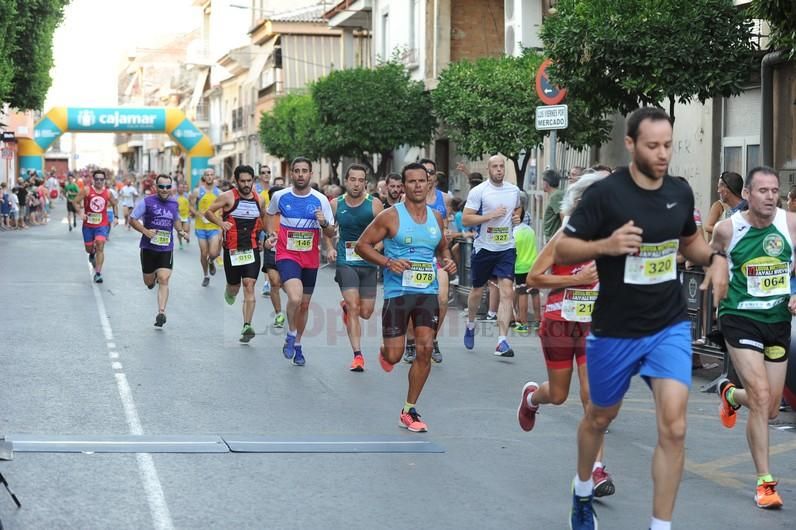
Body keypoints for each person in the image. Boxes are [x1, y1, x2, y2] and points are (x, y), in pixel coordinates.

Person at [554, 107, 728, 530]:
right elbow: (563, 251)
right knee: (599, 416)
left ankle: (660, 525)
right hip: (615, 329)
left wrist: (716, 259)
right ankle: (581, 489)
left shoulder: (679, 193)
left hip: (667, 325)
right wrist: (607, 245)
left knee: (675, 427)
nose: (663, 153)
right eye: (653, 145)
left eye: (668, 144)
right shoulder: (605, 196)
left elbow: (690, 243)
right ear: (631, 144)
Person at [519, 172, 614, 499]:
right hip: (559, 324)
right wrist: (576, 280)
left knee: (593, 397)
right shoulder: (565, 236)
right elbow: (534, 277)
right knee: (558, 395)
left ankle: (596, 470)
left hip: (594, 326)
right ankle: (532, 398)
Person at [712, 166, 796, 510]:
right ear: (746, 194)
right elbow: (714, 259)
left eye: (774, 190)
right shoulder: (727, 229)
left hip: (776, 319)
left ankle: (730, 394)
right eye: (762, 190)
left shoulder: (790, 223)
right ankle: (765, 482)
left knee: (772, 407)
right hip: (739, 317)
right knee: (761, 397)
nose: (770, 196)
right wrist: (716, 275)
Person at [355, 162, 457, 432]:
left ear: (429, 182)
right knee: (394, 356)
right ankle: (385, 353)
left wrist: (448, 261)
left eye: (422, 180)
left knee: (424, 349)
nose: (417, 186)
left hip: (427, 292)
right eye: (411, 182)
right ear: (404, 186)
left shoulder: (436, 217)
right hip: (398, 292)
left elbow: (442, 248)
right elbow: (362, 245)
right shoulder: (391, 216)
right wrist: (388, 262)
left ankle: (409, 409)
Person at [266, 157, 336, 366]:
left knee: (304, 305)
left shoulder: (321, 199)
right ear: (292, 174)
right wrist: (271, 233)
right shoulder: (280, 196)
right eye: (296, 171)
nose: (300, 174)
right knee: (295, 298)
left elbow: (331, 231)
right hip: (287, 254)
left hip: (310, 258)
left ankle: (297, 344)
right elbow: (269, 215)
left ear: (310, 174)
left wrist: (323, 222)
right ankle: (290, 334)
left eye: (304, 171)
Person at [461, 155, 522, 358]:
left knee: (507, 292)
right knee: (477, 291)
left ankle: (502, 341)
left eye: (501, 166)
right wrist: (490, 215)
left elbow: (518, 208)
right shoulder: (479, 191)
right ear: (488, 169)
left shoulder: (513, 190)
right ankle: (470, 324)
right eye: (495, 167)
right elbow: (466, 218)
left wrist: (517, 216)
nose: (498, 170)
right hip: (484, 248)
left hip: (506, 248)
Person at [326, 164, 383, 371]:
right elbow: (329, 231)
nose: (357, 184)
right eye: (353, 180)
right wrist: (330, 247)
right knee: (354, 307)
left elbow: (385, 231)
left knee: (366, 312)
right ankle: (358, 356)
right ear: (346, 180)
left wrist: (375, 249)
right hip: (346, 261)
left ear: (365, 183)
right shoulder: (335, 204)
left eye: (361, 180)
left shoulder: (375, 204)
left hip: (368, 262)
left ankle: (347, 308)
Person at [204, 165, 266, 343]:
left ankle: (247, 325)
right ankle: (229, 291)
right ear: (236, 181)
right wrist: (220, 223)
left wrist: (264, 236)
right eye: (243, 181)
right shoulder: (228, 196)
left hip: (252, 248)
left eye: (249, 181)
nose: (246, 184)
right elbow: (207, 212)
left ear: (253, 180)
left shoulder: (259, 199)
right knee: (234, 287)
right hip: (232, 250)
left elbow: (263, 218)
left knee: (249, 285)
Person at [403, 158, 452, 364]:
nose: (428, 176)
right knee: (413, 302)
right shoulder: (405, 202)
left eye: (431, 172)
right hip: (413, 259)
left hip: (435, 258)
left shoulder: (445, 199)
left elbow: (445, 229)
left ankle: (433, 338)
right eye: (425, 172)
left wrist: (447, 248)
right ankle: (411, 342)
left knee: (441, 299)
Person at [128, 174, 188, 327]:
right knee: (149, 281)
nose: (164, 189)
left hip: (166, 248)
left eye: (168, 186)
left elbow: (175, 220)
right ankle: (151, 280)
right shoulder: (147, 202)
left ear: (171, 187)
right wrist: (146, 232)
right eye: (161, 186)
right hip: (148, 248)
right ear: (156, 187)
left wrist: (181, 231)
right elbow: (132, 219)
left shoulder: (174, 203)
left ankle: (161, 312)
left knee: (164, 278)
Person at [73, 170, 119, 283]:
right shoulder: (87, 190)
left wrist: (116, 217)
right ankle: (92, 253)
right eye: (97, 179)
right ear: (93, 180)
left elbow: (114, 204)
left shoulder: (108, 193)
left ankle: (98, 273)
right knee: (89, 249)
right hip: (88, 225)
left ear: (104, 180)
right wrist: (80, 213)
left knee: (100, 244)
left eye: (101, 179)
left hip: (101, 224)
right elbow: (75, 202)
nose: (99, 181)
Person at [190, 169, 222, 287]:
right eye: (207, 175)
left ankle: (211, 261)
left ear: (214, 176)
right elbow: (191, 207)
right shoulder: (197, 191)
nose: (209, 177)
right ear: (204, 177)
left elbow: (223, 209)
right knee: (204, 253)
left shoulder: (219, 192)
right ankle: (206, 275)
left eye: (211, 175)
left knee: (213, 253)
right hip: (201, 227)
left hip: (214, 226)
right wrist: (198, 214)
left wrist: (221, 222)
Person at [511, 209, 541, 334]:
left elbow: (513, 251)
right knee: (534, 292)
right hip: (533, 265)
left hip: (520, 266)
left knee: (522, 292)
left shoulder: (514, 232)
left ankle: (523, 323)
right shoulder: (530, 230)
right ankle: (538, 321)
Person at [261, 184, 286, 329]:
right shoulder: (267, 215)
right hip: (271, 251)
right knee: (275, 282)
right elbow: (261, 230)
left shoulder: (290, 212)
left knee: (285, 284)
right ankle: (279, 314)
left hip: (288, 251)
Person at [704, 171, 744, 237]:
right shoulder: (719, 205)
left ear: (726, 190)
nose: (718, 191)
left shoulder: (749, 209)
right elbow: (707, 227)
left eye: (720, 187)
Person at [542, 169, 564, 240]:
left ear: (546, 183)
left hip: (554, 238)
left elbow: (562, 215)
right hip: (553, 237)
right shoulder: (556, 194)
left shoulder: (556, 196)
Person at [175, 181, 191, 248]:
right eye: (180, 187)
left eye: (182, 187)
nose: (181, 189)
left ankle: (187, 236)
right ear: (177, 188)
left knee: (186, 229)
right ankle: (180, 243)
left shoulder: (187, 195)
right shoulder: (174, 197)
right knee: (179, 230)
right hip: (178, 216)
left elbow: (191, 205)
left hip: (186, 215)